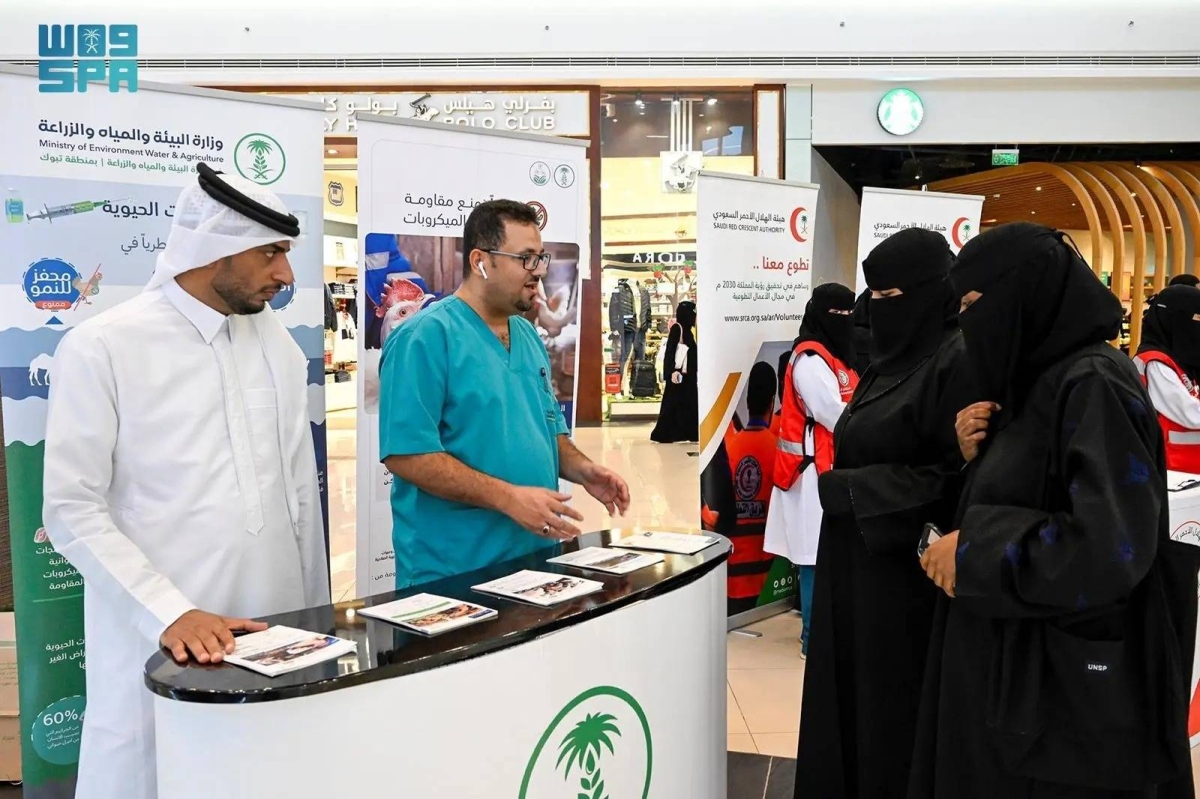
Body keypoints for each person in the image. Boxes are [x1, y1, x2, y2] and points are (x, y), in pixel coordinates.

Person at [42, 163, 330, 799]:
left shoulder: (278, 346)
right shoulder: (104, 346)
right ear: (215, 247)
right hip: (157, 632)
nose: (286, 275)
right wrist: (169, 612)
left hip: (275, 631)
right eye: (271, 253)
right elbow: (71, 507)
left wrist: (314, 618)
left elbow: (297, 501)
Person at [913, 223, 1197, 799]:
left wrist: (975, 549)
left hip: (1057, 701)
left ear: (1022, 295)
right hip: (1021, 679)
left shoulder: (1092, 382)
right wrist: (977, 456)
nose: (965, 322)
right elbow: (1039, 491)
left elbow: (1111, 546)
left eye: (973, 303)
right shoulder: (1039, 380)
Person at [794, 228, 974, 799]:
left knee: (889, 712)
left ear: (930, 292)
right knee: (848, 699)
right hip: (855, 564)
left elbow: (959, 476)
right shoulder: (889, 358)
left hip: (905, 576)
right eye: (871, 295)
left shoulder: (958, 361)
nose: (874, 309)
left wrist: (854, 490)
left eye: (890, 296)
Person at [379, 200, 631, 588]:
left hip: (533, 561)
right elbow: (407, 455)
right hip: (453, 572)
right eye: (525, 258)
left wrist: (585, 471)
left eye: (541, 257)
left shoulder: (526, 335)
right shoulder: (424, 338)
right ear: (480, 261)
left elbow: (547, 428)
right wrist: (508, 498)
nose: (539, 271)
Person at [764, 283, 858, 656]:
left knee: (827, 557)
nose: (846, 320)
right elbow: (832, 413)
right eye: (838, 313)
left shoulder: (839, 356)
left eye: (849, 312)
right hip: (807, 475)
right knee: (813, 559)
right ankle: (811, 638)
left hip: (831, 470)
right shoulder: (809, 360)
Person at [723, 362, 781, 613]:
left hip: (730, 579)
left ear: (747, 403)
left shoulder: (729, 449)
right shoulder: (779, 450)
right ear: (772, 401)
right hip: (768, 584)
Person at [1133, 284, 1200, 473]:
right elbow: (1189, 413)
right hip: (1173, 470)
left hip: (1187, 469)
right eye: (1197, 319)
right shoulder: (1155, 363)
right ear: (1175, 320)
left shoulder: (1182, 360)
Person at [651, 300, 699, 443]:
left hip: (687, 376)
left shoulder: (687, 331)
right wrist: (671, 371)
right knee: (673, 404)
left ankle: (686, 433)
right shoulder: (678, 329)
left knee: (685, 404)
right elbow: (670, 352)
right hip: (678, 375)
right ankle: (665, 433)